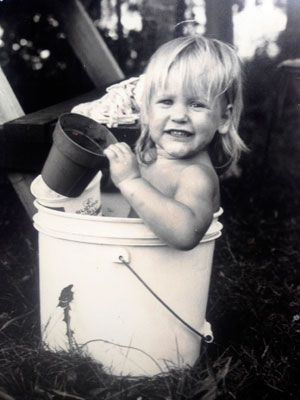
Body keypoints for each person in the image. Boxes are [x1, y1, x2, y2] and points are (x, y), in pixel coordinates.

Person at [103, 35, 248, 250]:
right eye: (166, 102)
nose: (179, 115)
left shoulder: (195, 176)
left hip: (167, 279)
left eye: (197, 104)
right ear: (146, 111)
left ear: (223, 119)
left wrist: (130, 181)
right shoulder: (152, 156)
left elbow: (185, 234)